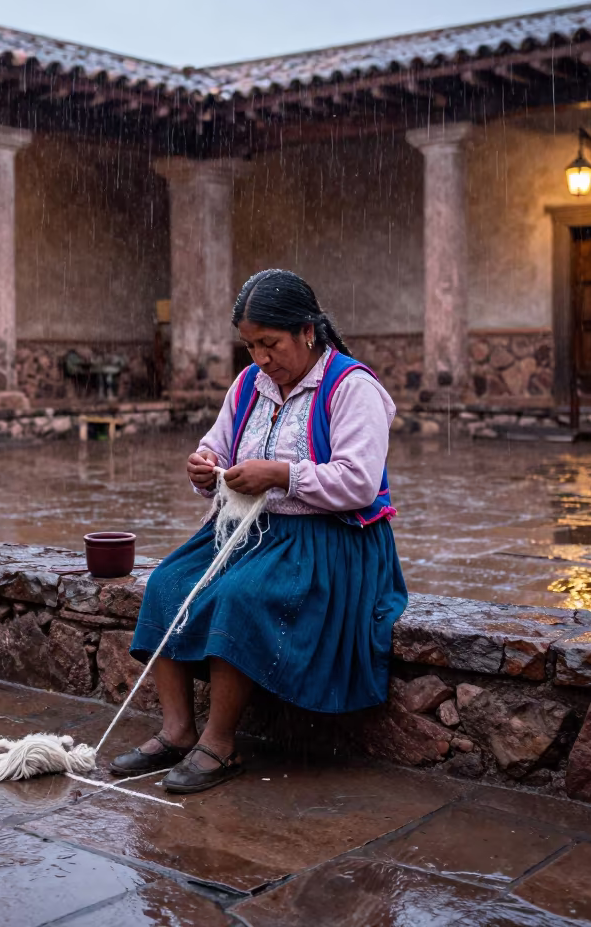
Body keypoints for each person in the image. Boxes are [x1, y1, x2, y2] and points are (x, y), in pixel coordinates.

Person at [110, 268, 407, 794]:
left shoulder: (352, 387)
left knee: (238, 597)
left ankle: (220, 745)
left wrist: (281, 474)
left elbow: (360, 484)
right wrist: (205, 466)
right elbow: (217, 444)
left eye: (270, 344)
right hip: (251, 532)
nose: (261, 359)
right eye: (250, 347)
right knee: (167, 584)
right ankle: (178, 732)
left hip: (330, 541)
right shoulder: (250, 384)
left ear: (307, 331)